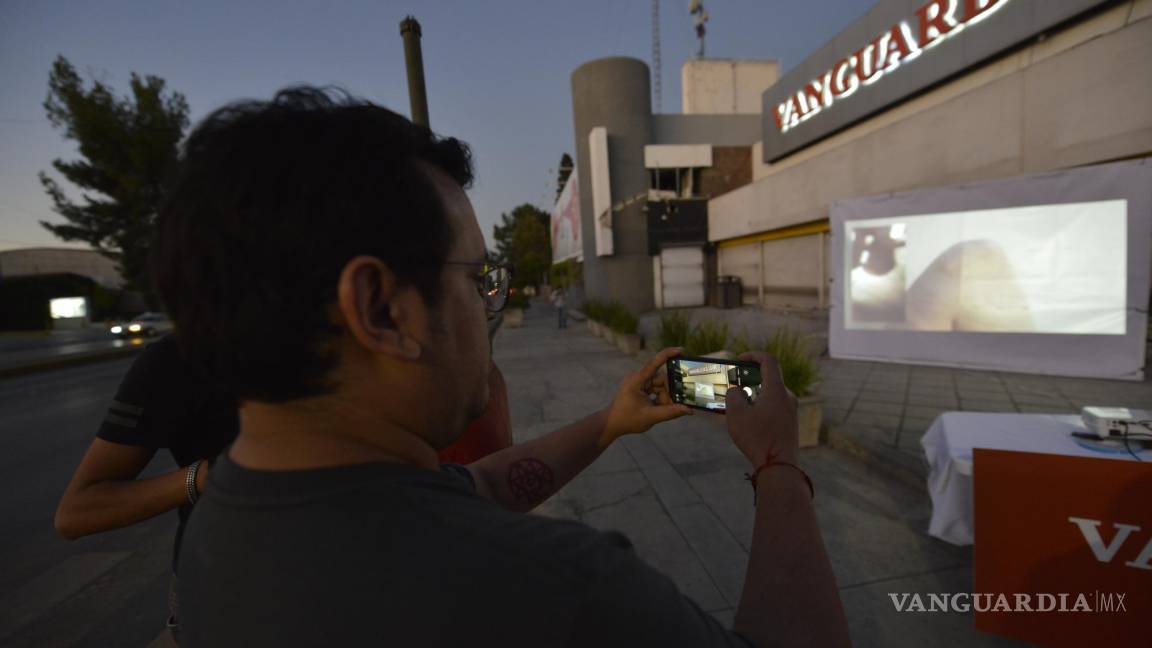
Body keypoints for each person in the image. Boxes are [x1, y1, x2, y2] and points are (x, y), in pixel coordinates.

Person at [156, 87, 849, 647]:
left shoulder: (220, 522)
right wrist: (777, 463)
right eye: (476, 276)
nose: (490, 302)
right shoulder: (552, 589)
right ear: (382, 310)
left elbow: (472, 485)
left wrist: (611, 423)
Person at [53, 334, 239, 640]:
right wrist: (208, 474)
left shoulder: (336, 338)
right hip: (221, 592)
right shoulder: (180, 356)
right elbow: (75, 513)